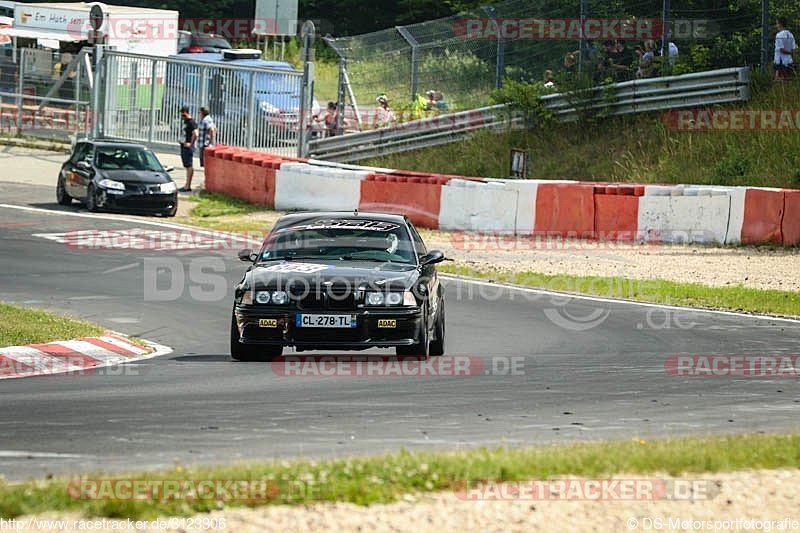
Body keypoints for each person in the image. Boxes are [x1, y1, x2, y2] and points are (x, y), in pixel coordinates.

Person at [178, 106, 198, 192]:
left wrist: (191, 144)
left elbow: (196, 134)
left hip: (187, 147)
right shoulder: (186, 122)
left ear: (186, 113)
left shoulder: (191, 122)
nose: (182, 117)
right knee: (186, 165)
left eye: (183, 115)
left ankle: (188, 186)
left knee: (189, 165)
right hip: (183, 146)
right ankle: (186, 184)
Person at [774, 17, 797, 81]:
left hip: (780, 62)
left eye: (777, 24)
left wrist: (790, 53)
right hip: (789, 62)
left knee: (779, 82)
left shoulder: (778, 35)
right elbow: (794, 49)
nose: (776, 26)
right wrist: (794, 62)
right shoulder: (791, 35)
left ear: (780, 24)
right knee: (789, 81)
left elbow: (781, 49)